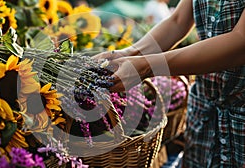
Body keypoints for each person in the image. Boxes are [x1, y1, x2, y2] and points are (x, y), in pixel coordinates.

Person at [94, 0, 245, 167]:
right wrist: (129, 53)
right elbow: (178, 21)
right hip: (205, 113)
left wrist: (146, 66)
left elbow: (240, 42)